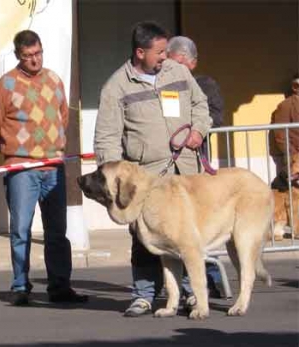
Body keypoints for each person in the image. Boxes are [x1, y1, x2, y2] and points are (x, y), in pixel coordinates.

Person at [94, 21, 211, 317]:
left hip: (185, 171)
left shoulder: (178, 71)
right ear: (140, 52)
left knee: (186, 236)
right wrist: (117, 182)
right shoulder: (115, 87)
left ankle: (191, 294)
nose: (164, 56)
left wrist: (199, 129)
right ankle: (144, 294)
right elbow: (107, 139)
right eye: (159, 52)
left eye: (165, 50)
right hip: (147, 177)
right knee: (143, 236)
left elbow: (200, 104)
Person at [0, 30, 88, 306]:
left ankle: (60, 286)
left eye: (38, 53)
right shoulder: (5, 85)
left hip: (53, 166)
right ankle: (20, 286)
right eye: (28, 55)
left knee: (57, 230)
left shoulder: (54, 80)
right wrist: (14, 151)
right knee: (20, 230)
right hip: (21, 169)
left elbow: (63, 117)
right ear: (18, 55)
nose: (34, 60)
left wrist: (51, 146)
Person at [166, 35, 225, 299]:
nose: (174, 67)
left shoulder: (205, 85)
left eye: (180, 62)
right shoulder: (161, 84)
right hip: (166, 166)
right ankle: (171, 287)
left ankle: (208, 282)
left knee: (198, 227)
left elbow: (216, 116)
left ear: (192, 62)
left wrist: (195, 129)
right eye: (170, 60)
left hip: (195, 164)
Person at [270, 73, 299, 190]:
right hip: (295, 156)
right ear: (295, 87)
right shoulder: (285, 106)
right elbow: (280, 135)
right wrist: (294, 156)